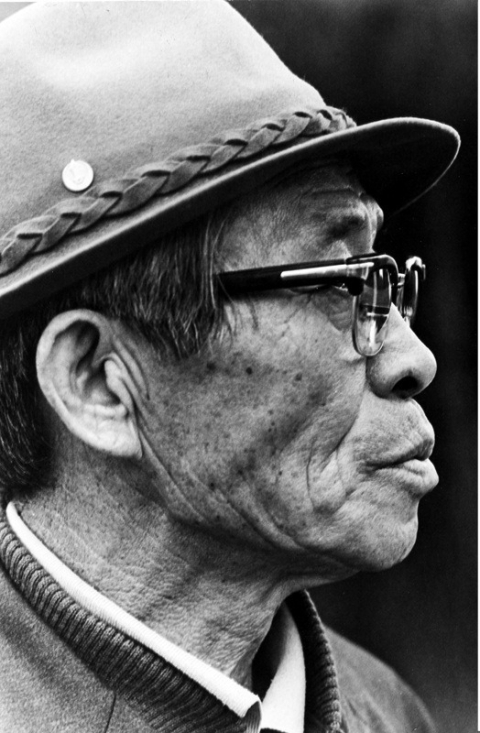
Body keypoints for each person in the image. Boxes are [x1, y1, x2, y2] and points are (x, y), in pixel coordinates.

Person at [0, 3, 460, 732]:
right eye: (339, 282)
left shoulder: (389, 712)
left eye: (384, 279)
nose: (413, 359)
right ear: (97, 381)